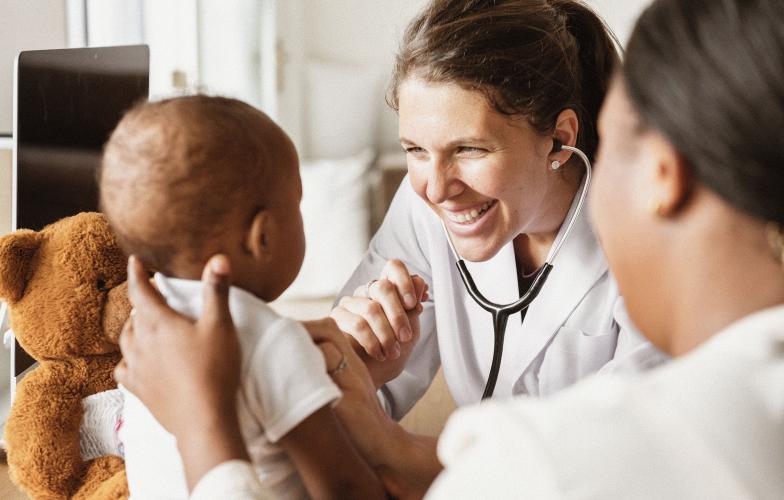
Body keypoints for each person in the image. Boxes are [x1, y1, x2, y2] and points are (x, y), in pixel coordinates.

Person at [116, 0, 784, 497]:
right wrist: (359, 371)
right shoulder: (426, 205)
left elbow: (606, 448)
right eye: (414, 151)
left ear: (563, 139)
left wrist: (389, 449)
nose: (436, 188)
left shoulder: (654, 279)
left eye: (468, 149)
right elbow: (341, 411)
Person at [99, 96, 385, 499]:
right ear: (262, 237)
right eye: (297, 204)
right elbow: (345, 488)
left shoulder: (147, 332)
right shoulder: (272, 341)